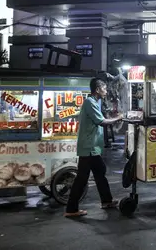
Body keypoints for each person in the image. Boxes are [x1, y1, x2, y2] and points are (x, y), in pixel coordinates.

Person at [65, 78, 124, 218]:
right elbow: (101, 122)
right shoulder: (89, 103)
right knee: (82, 178)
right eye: (104, 88)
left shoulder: (95, 102)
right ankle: (71, 209)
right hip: (89, 147)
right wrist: (118, 118)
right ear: (97, 89)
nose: (106, 90)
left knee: (100, 172)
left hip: (92, 147)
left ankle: (106, 201)